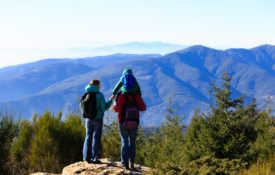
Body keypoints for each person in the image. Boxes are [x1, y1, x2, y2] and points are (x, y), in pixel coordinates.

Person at [82, 79, 114, 164]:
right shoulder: (99, 95)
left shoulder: (85, 94)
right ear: (97, 85)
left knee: (88, 137)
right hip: (98, 119)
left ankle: (86, 158)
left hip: (88, 119)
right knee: (96, 138)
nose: (100, 86)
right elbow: (104, 108)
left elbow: (82, 106)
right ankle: (95, 158)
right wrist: (110, 100)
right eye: (100, 85)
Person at [111, 91, 146, 169]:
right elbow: (143, 107)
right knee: (132, 142)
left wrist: (114, 106)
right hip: (134, 122)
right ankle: (132, 163)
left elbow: (117, 109)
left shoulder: (121, 95)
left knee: (125, 142)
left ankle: (125, 163)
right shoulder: (137, 95)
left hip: (123, 122)